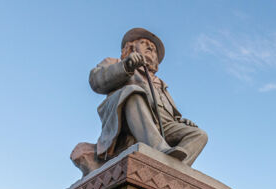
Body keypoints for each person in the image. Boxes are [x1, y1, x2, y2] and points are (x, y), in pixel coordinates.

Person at [88, 27, 207, 168]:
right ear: (130, 47)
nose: (151, 47)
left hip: (163, 127)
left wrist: (180, 121)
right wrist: (126, 65)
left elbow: (169, 113)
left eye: (154, 49)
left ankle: (174, 168)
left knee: (199, 134)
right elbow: (96, 81)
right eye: (145, 43)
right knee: (133, 91)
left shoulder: (160, 84)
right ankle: (158, 151)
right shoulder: (116, 63)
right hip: (128, 125)